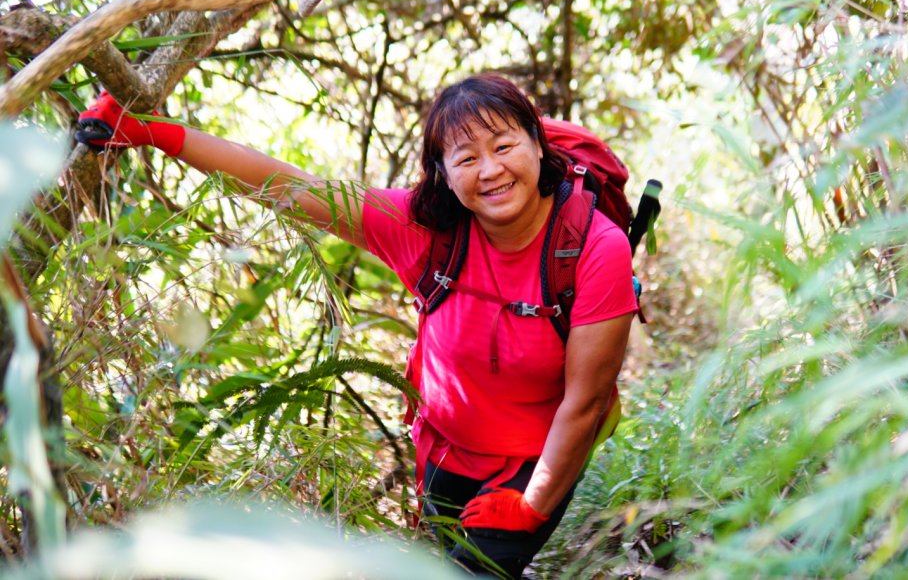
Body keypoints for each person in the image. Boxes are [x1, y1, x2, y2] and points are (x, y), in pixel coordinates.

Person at [76, 74, 637, 578]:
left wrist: (532, 503)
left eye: (505, 146)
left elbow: (584, 404)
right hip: (443, 451)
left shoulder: (592, 248)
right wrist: (150, 132)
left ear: (537, 145)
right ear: (442, 174)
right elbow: (286, 184)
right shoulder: (424, 230)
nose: (490, 170)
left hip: (534, 462)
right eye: (465, 157)